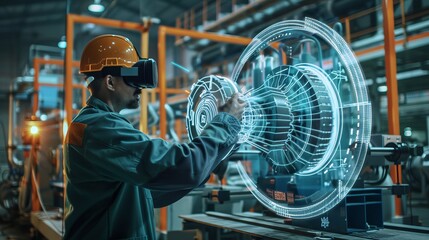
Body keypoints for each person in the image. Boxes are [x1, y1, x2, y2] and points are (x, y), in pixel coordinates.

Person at [63, 34, 246, 240]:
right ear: (110, 82)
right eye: (133, 79)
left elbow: (150, 190)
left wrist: (213, 157)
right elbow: (178, 167)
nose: (140, 88)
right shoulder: (100, 128)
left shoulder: (98, 124)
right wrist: (224, 123)